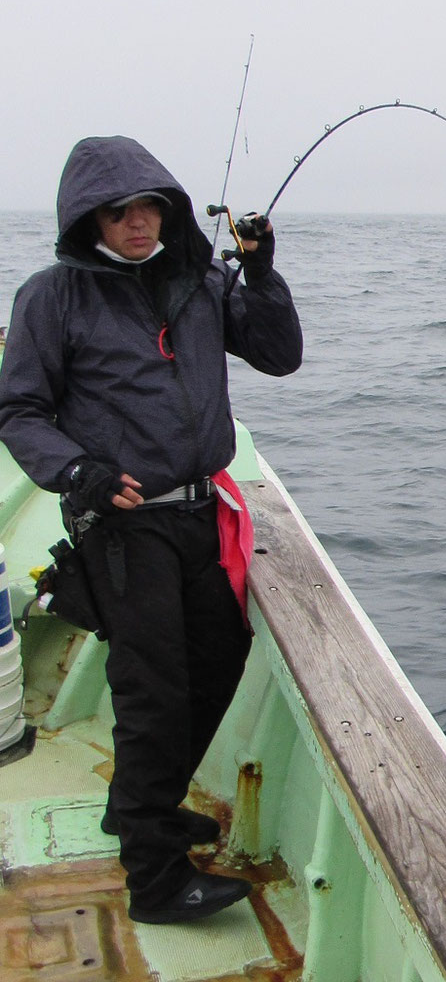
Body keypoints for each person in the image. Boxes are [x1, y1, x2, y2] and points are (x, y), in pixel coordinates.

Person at [0, 136, 302, 923]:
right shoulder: (51, 297)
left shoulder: (199, 281)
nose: (137, 225)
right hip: (123, 527)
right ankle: (157, 881)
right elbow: (19, 411)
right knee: (152, 692)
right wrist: (77, 471)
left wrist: (261, 274)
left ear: (167, 209)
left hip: (203, 513)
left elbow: (279, 354)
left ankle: (148, 805)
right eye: (117, 212)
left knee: (217, 659)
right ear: (85, 219)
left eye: (149, 209)